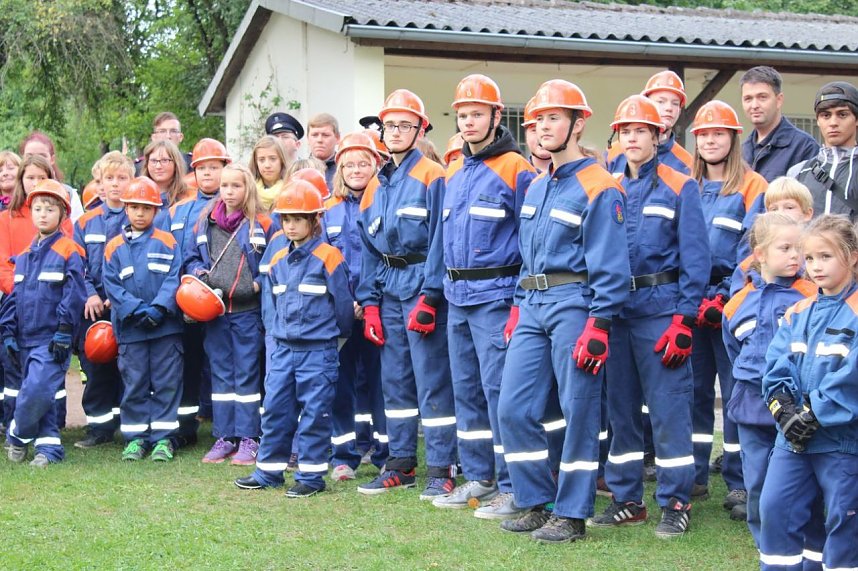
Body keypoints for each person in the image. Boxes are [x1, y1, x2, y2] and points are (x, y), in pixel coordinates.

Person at [494, 80, 629, 543]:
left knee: (580, 409)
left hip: (575, 305)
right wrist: (516, 307)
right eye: (537, 121)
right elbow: (527, 257)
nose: (543, 128)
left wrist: (601, 324)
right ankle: (535, 500)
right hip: (531, 304)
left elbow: (611, 264)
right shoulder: (536, 186)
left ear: (578, 123)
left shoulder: (600, 186)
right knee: (512, 406)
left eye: (553, 118)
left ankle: (571, 513)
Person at [590, 94, 710, 538]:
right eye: (625, 131)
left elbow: (696, 261)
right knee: (620, 410)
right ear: (616, 138)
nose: (632, 138)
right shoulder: (607, 187)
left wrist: (684, 321)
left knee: (668, 409)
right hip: (617, 313)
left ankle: (676, 500)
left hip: (661, 314)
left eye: (642, 130)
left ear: (659, 136)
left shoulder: (682, 186)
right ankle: (626, 499)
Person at [433, 74, 537, 516]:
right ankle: (478, 477)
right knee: (466, 390)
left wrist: (519, 302)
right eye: (462, 115)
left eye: (477, 113)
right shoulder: (454, 170)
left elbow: (532, 242)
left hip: (496, 296)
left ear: (497, 117)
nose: (469, 121)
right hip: (457, 295)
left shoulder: (518, 169)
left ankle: (512, 484)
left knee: (500, 393)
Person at [354, 89, 459, 499]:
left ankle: (440, 467)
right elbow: (368, 251)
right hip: (389, 292)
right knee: (394, 382)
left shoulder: (434, 177)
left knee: (432, 381)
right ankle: (400, 463)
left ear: (420, 130)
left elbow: (440, 241)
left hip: (421, 289)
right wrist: (371, 304)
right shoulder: (375, 186)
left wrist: (432, 297)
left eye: (404, 125)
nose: (396, 132)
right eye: (390, 125)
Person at [234, 179, 353, 497]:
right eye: (286, 218)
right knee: (275, 408)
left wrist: (332, 340)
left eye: (298, 218)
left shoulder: (330, 257)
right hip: (283, 349)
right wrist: (276, 337)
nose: (291, 225)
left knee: (315, 411)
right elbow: (270, 307)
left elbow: (342, 308)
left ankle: (311, 477)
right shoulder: (275, 260)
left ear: (315, 220)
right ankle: (268, 471)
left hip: (319, 351)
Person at [758, 215, 858, 571]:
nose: (815, 266)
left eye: (825, 257)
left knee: (843, 525)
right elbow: (776, 364)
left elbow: (852, 377)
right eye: (810, 258)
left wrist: (815, 411)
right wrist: (783, 410)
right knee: (774, 510)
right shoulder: (799, 310)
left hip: (841, 443)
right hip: (793, 441)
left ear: (853, 256)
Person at [722, 213, 822, 552]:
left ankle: (807, 547)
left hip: (796, 408)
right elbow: (734, 352)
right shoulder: (736, 304)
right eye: (785, 248)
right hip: (751, 406)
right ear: (759, 253)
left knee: (799, 483)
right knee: (759, 484)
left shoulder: (811, 297)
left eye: (800, 249)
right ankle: (769, 548)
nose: (795, 256)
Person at [689, 100, 766, 513]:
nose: (710, 140)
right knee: (694, 394)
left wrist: (723, 297)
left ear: (734, 139)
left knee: (736, 395)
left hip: (731, 311)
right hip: (690, 309)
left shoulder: (755, 187)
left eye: (718, 133)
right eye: (703, 134)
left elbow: (753, 253)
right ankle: (696, 475)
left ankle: (738, 481)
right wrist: (689, 299)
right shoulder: (688, 186)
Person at [185, 163, 272, 465]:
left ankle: (250, 437)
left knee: (247, 374)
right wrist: (197, 272)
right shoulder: (204, 221)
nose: (230, 191)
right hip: (216, 312)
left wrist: (258, 285)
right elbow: (191, 258)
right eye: (225, 186)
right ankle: (225, 436)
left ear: (248, 188)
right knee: (221, 374)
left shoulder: (261, 222)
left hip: (248, 313)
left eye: (236, 186)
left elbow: (273, 260)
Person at [1, 180, 85, 466]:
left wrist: (64, 331)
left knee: (35, 389)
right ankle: (48, 449)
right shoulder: (23, 256)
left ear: (63, 214)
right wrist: (8, 331)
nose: (43, 214)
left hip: (51, 340)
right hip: (23, 339)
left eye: (50, 209)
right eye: (37, 208)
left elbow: (74, 295)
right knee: (43, 397)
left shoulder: (68, 250)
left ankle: (16, 434)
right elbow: (14, 297)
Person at [103, 177, 183, 461]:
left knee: (166, 383)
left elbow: (175, 278)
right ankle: (136, 439)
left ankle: (163, 440)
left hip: (165, 329)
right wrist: (138, 311)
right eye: (134, 207)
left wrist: (160, 308)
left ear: (156, 211)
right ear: (125, 208)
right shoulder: (113, 247)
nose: (140, 213)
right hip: (131, 331)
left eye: (146, 208)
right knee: (134, 383)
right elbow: (111, 285)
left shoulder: (168, 242)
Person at [324, 132, 387, 480]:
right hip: (341, 313)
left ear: (375, 165)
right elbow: (322, 261)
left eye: (363, 162)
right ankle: (343, 456)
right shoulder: (327, 208)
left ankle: (384, 454)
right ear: (339, 168)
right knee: (340, 383)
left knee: (381, 383)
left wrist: (370, 300)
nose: (356, 169)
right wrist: (346, 304)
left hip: (379, 306)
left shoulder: (384, 200)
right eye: (349, 163)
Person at [0, 155, 73, 428]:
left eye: (41, 177)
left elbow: (69, 265)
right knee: (15, 368)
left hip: (49, 308)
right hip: (16, 303)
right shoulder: (6, 218)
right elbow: (4, 263)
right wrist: (22, 292)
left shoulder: (61, 220)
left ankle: (53, 426)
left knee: (48, 370)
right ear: (20, 180)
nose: (34, 183)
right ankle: (14, 424)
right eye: (29, 177)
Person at [168, 138, 232, 449]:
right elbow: (172, 252)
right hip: (189, 300)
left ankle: (227, 428)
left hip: (228, 301)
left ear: (225, 168)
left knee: (224, 365)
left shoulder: (235, 204)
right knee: (187, 365)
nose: (207, 173)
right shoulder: (179, 210)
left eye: (213, 167)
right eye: (202, 168)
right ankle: (185, 429)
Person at [72, 151, 137, 448]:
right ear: (98, 182)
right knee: (96, 366)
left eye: (122, 178)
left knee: (130, 366)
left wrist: (118, 296)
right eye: (108, 178)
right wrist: (90, 294)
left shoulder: (139, 217)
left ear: (132, 180)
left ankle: (130, 425)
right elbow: (76, 266)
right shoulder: (86, 222)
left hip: (126, 304)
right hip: (93, 307)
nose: (115, 184)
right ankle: (99, 428)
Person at [789, 81, 858, 220]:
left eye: (842, 114)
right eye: (826, 115)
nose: (833, 123)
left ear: (856, 119)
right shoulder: (798, 172)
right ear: (818, 121)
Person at [607, 70, 693, 177]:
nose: (669, 108)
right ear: (647, 104)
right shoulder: (611, 154)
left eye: (675, 103)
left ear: (680, 110)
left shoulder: (687, 164)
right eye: (661, 102)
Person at [739, 66, 819, 182]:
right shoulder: (741, 151)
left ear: (779, 100)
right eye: (748, 99)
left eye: (762, 97)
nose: (754, 105)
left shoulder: (804, 148)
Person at [19, 131, 84, 221]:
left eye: (42, 156)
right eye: (29, 156)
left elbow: (78, 230)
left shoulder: (68, 194)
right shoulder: (13, 197)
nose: (36, 161)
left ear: (52, 159)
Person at [141, 140, 189, 206]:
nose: (158, 166)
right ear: (147, 164)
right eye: (153, 161)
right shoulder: (138, 196)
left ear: (176, 164)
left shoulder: (188, 198)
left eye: (164, 160)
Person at [249, 135, 289, 212]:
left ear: (282, 160)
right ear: (255, 162)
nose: (267, 165)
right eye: (261, 160)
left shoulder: (291, 187)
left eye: (273, 159)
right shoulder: (248, 189)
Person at [307, 113, 340, 190]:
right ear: (307, 138)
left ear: (338, 138)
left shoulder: (345, 170)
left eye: (325, 135)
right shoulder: (299, 170)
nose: (319, 140)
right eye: (314, 135)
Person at [521, 96, 552, 173]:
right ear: (526, 135)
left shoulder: (578, 173)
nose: (541, 135)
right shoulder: (517, 174)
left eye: (547, 129)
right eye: (534, 130)